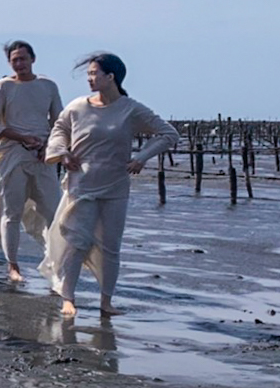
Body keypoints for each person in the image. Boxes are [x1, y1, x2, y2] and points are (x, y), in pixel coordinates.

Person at [41, 53, 179, 318]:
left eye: (95, 73)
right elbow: (59, 129)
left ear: (111, 77)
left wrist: (141, 157)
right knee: (76, 241)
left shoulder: (130, 108)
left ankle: (106, 302)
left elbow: (168, 134)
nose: (90, 79)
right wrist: (62, 153)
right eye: (89, 74)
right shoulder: (78, 107)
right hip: (81, 185)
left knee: (111, 246)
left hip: (115, 186)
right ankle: (68, 298)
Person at [0, 40, 63, 283]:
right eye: (15, 60)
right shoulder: (3, 87)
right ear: (9, 63)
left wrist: (48, 146)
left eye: (23, 58)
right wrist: (21, 137)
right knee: (11, 212)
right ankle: (12, 265)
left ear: (32, 59)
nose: (19, 64)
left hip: (43, 157)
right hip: (13, 154)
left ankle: (55, 260)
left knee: (53, 212)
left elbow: (59, 122)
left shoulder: (48, 86)